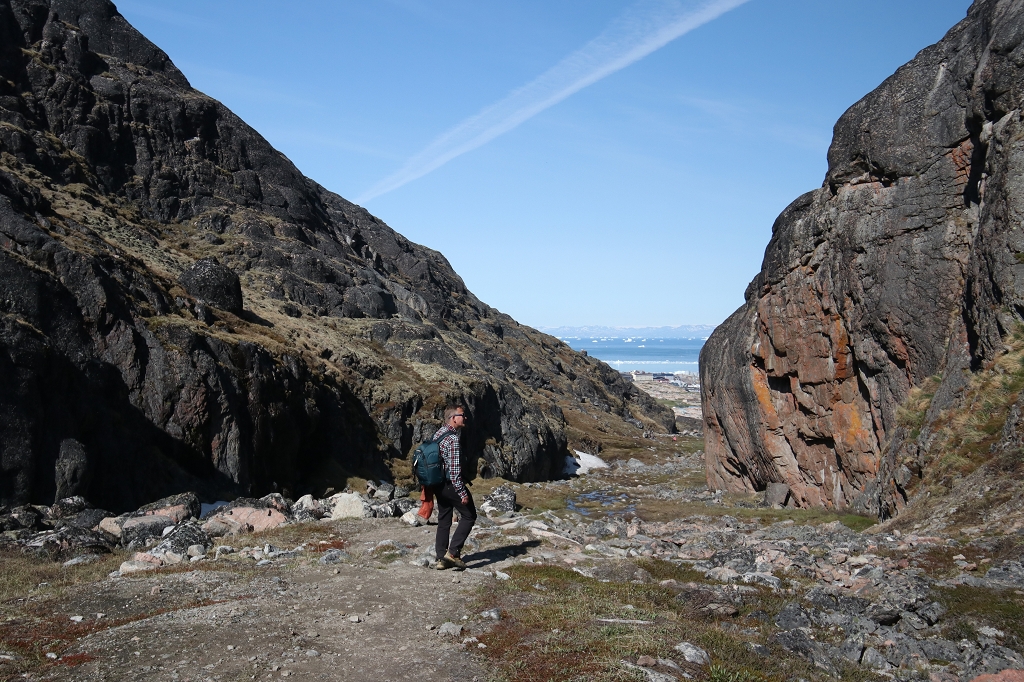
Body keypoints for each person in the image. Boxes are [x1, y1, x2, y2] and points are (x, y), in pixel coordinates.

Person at [430, 405, 476, 569]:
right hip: (450, 484)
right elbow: (455, 470)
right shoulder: (453, 439)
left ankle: (441, 558)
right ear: (453, 418)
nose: (465, 418)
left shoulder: (439, 434)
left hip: (438, 484)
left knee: (444, 519)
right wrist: (462, 493)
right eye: (462, 415)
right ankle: (453, 553)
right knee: (469, 516)